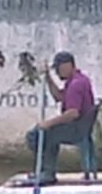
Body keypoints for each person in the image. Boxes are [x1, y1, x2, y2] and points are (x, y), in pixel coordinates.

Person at [26, 52, 95, 183]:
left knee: (43, 134)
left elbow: (72, 113)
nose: (57, 73)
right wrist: (48, 78)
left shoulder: (76, 84)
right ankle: (41, 170)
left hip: (77, 128)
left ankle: (47, 172)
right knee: (37, 133)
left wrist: (49, 123)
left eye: (58, 69)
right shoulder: (76, 81)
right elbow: (59, 97)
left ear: (67, 66)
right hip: (79, 126)